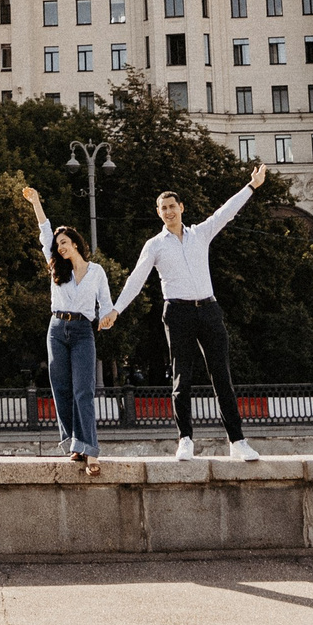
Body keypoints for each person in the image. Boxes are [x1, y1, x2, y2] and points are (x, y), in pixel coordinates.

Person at [102, 165, 268, 461]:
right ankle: (185, 439)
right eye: (163, 208)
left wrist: (251, 186)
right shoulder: (154, 245)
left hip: (208, 309)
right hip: (177, 312)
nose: (168, 212)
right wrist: (116, 310)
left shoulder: (200, 234)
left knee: (221, 376)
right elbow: (136, 279)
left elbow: (225, 212)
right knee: (182, 378)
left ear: (182, 208)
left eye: (172, 206)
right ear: (159, 213)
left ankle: (237, 441)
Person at [21, 185, 111, 474]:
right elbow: (44, 229)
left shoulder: (96, 271)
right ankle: (75, 445)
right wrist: (36, 201)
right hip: (57, 329)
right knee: (60, 388)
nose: (59, 247)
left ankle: (91, 451)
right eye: (57, 244)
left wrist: (108, 316)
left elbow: (106, 304)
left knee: (83, 390)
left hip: (83, 331)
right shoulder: (56, 268)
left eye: (64, 242)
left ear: (75, 243)